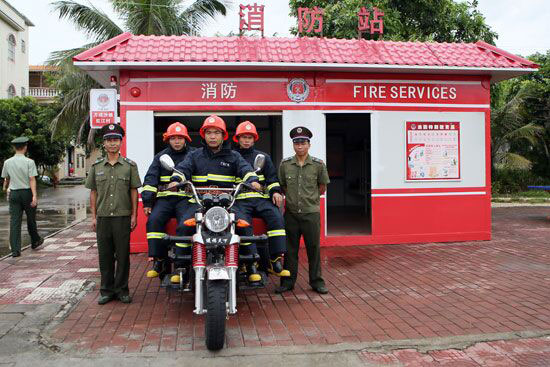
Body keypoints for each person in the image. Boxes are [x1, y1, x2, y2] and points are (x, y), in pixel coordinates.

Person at [168, 115, 263, 285]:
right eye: (209, 132)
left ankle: (250, 266)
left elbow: (245, 169)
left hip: (228, 203)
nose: (212, 136)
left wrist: (253, 181)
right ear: (203, 135)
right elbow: (182, 169)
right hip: (198, 202)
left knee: (244, 226)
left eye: (216, 133)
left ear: (223, 136)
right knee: (183, 226)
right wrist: (176, 180)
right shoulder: (194, 155)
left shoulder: (233, 156)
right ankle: (181, 266)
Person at [85, 123, 141, 305]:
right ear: (104, 143)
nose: (112, 143)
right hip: (103, 218)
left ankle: (122, 290)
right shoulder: (96, 166)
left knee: (123, 256)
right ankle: (106, 291)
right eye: (109, 140)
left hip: (122, 216)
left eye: (115, 140)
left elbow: (134, 191)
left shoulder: (129, 166)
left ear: (121, 142)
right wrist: (93, 217)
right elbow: (93, 192)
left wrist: (134, 215)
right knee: (105, 256)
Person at [276, 126, 330, 294]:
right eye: (297, 143)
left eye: (303, 143)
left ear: (309, 145)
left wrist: (309, 200)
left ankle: (317, 282)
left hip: (311, 214)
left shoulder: (318, 165)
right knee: (290, 249)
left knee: (313, 248)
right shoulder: (285, 165)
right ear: (293, 145)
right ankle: (287, 282)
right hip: (291, 214)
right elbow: (282, 186)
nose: (300, 146)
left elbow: (322, 187)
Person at [233, 121, 290, 278]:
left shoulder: (263, 157)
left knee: (277, 219)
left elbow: (272, 179)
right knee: (243, 225)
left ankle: (275, 261)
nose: (246, 140)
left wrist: (276, 192)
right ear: (237, 139)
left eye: (249, 137)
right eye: (243, 137)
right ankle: (250, 264)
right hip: (239, 201)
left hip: (261, 199)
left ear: (254, 139)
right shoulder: (231, 156)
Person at [142, 122, 195, 279]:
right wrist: (147, 202)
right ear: (168, 140)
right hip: (165, 199)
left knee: (184, 226)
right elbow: (150, 179)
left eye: (180, 138)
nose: (177, 141)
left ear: (186, 139)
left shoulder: (194, 155)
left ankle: (181, 264)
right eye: (173, 138)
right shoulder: (161, 157)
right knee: (153, 221)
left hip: (186, 199)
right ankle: (159, 261)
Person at [1, 137, 43, 257]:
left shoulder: (7, 162)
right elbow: (32, 179)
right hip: (27, 193)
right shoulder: (29, 162)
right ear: (25, 147)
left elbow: (6, 178)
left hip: (14, 194)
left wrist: (5, 188)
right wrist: (34, 196)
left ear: (14, 148)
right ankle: (35, 241)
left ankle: (15, 250)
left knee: (14, 221)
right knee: (31, 219)